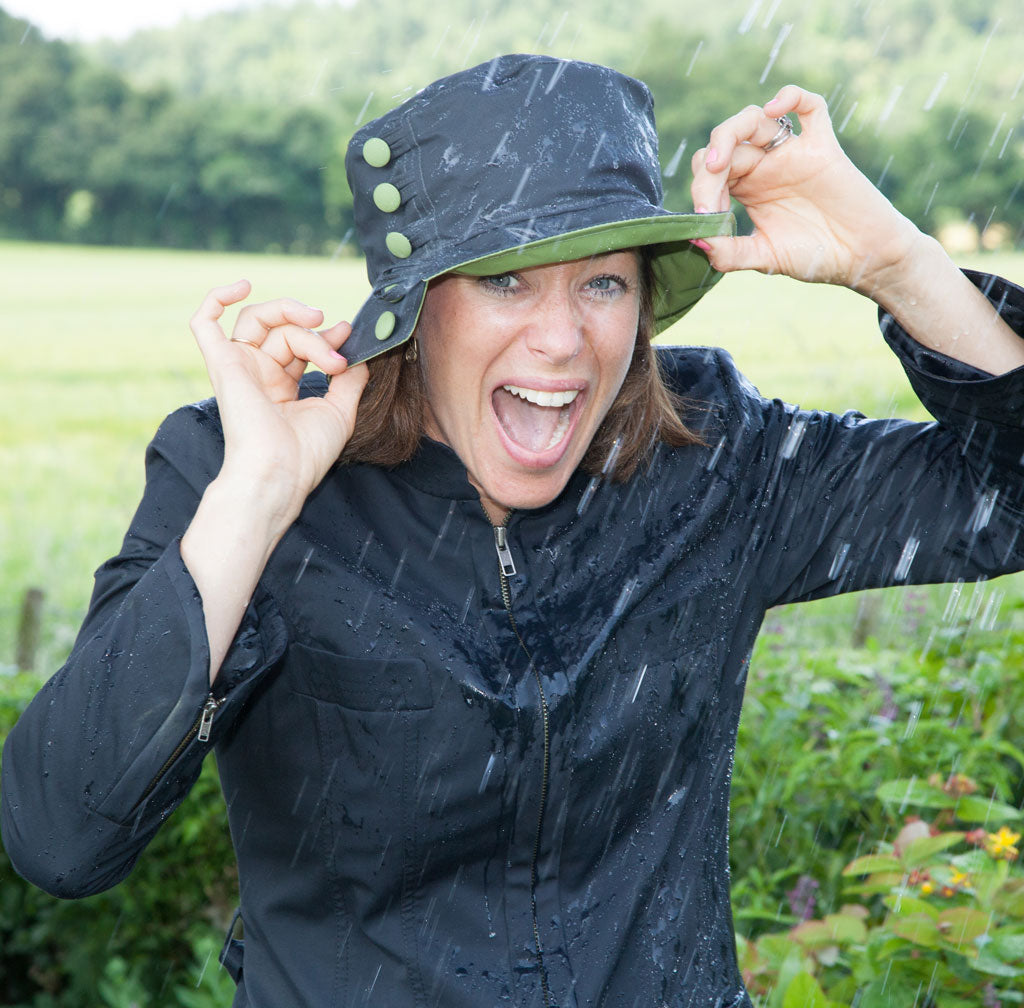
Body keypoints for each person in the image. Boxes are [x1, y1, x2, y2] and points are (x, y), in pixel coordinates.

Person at [2, 53, 1023, 1008]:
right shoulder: (241, 475)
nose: (562, 336)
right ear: (414, 309)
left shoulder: (717, 460)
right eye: (504, 279)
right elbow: (60, 833)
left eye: (603, 282)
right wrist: (258, 495)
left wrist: (897, 263)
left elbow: (1006, 501)